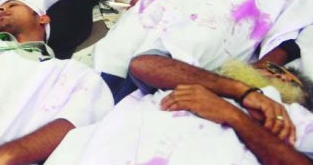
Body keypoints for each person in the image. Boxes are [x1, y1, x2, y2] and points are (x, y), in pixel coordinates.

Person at [49, 54, 309, 164]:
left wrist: (234, 117)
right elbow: (142, 65)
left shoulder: (299, 119)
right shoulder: (210, 82)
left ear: (291, 81)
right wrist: (240, 91)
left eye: (272, 68)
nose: (258, 67)